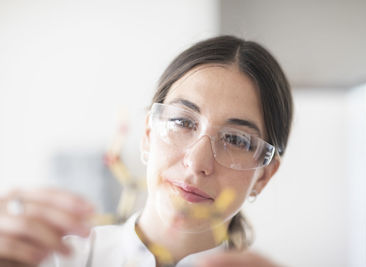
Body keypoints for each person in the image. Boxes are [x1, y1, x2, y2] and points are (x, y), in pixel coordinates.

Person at [0, 35, 293, 267]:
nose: (197, 162)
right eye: (182, 121)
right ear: (148, 136)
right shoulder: (52, 260)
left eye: (237, 140)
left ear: (264, 175)